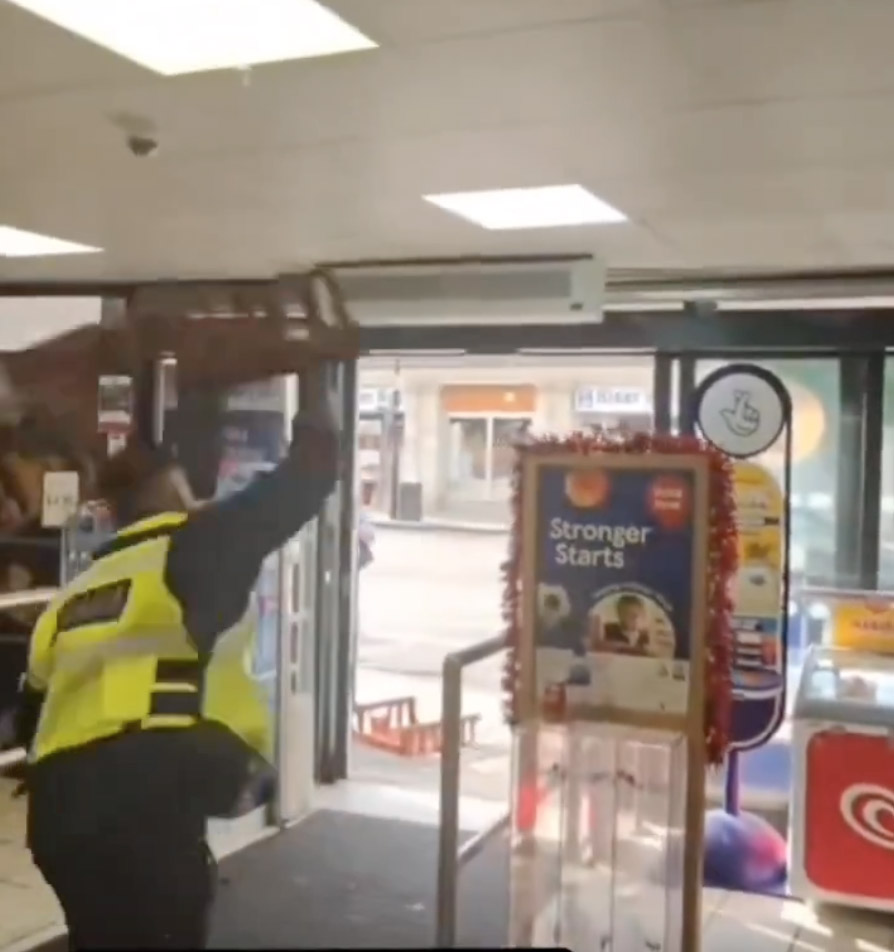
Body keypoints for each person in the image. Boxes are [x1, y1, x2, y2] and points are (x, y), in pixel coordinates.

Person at [14, 407, 338, 950]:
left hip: (59, 814)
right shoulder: (196, 544)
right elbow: (305, 480)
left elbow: (31, 715)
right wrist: (318, 397)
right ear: (171, 492)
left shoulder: (73, 596)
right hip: (146, 800)